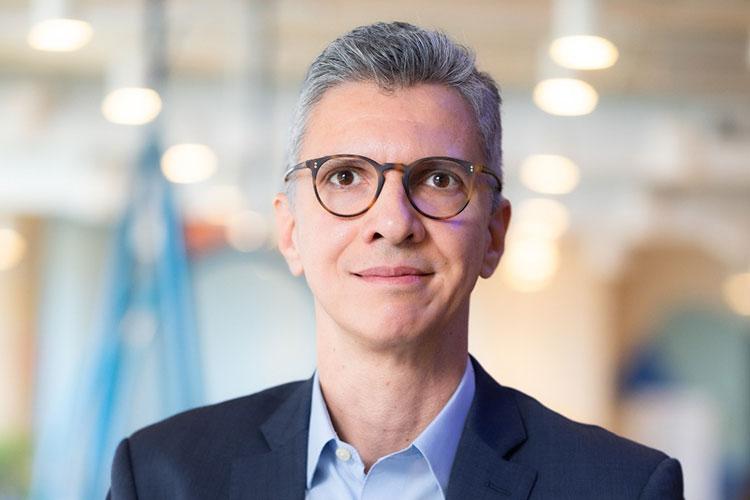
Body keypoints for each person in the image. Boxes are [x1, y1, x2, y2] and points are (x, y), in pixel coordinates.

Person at [108, 22, 684, 499]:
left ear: (494, 234)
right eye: (345, 176)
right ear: (290, 231)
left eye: (439, 179)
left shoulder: (622, 488)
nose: (393, 221)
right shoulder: (162, 476)